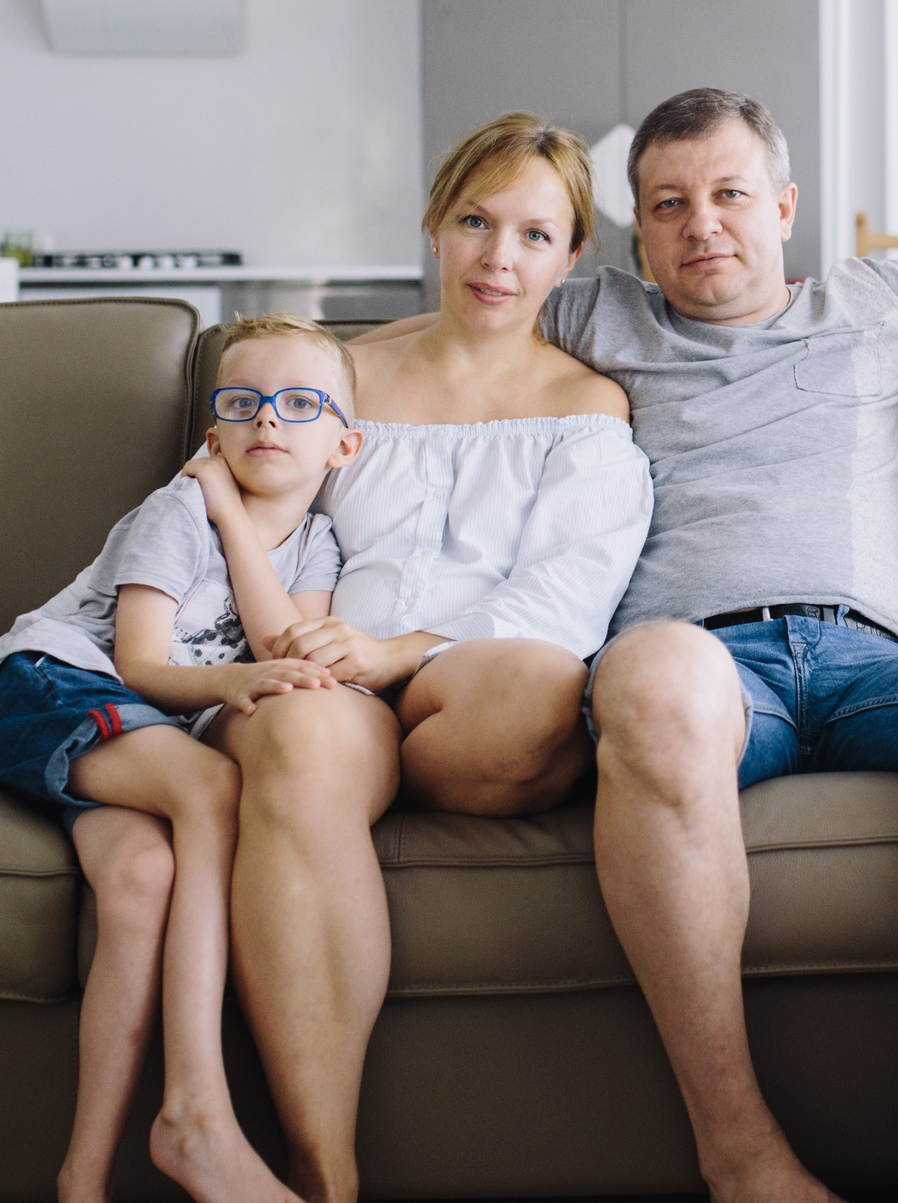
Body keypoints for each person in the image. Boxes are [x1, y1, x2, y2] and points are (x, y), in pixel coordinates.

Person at [363, 87, 898, 1203]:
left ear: (783, 203)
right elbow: (447, 326)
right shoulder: (597, 317)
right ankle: (741, 1160)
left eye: (730, 195)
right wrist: (269, 380)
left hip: (884, 666)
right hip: (703, 670)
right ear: (636, 231)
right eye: (669, 205)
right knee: (654, 671)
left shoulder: (885, 296)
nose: (703, 226)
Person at [89, 112, 652, 1203]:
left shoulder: (586, 405)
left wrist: (393, 651)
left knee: (541, 682)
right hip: (326, 672)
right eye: (476, 223)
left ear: (572, 256)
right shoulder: (335, 376)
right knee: (295, 723)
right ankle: (324, 1175)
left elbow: (568, 595)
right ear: (435, 226)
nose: (499, 259)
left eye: (535, 236)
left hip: (465, 680)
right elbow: (221, 520)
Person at [0, 313, 359, 1203]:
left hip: (131, 728)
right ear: (211, 432)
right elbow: (138, 662)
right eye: (243, 403)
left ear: (344, 442)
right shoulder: (173, 511)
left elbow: (283, 643)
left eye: (299, 404)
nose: (267, 421)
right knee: (212, 783)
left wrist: (235, 512)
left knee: (141, 879)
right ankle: (197, 1112)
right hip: (54, 686)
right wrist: (209, 503)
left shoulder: (320, 541)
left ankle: (83, 1180)